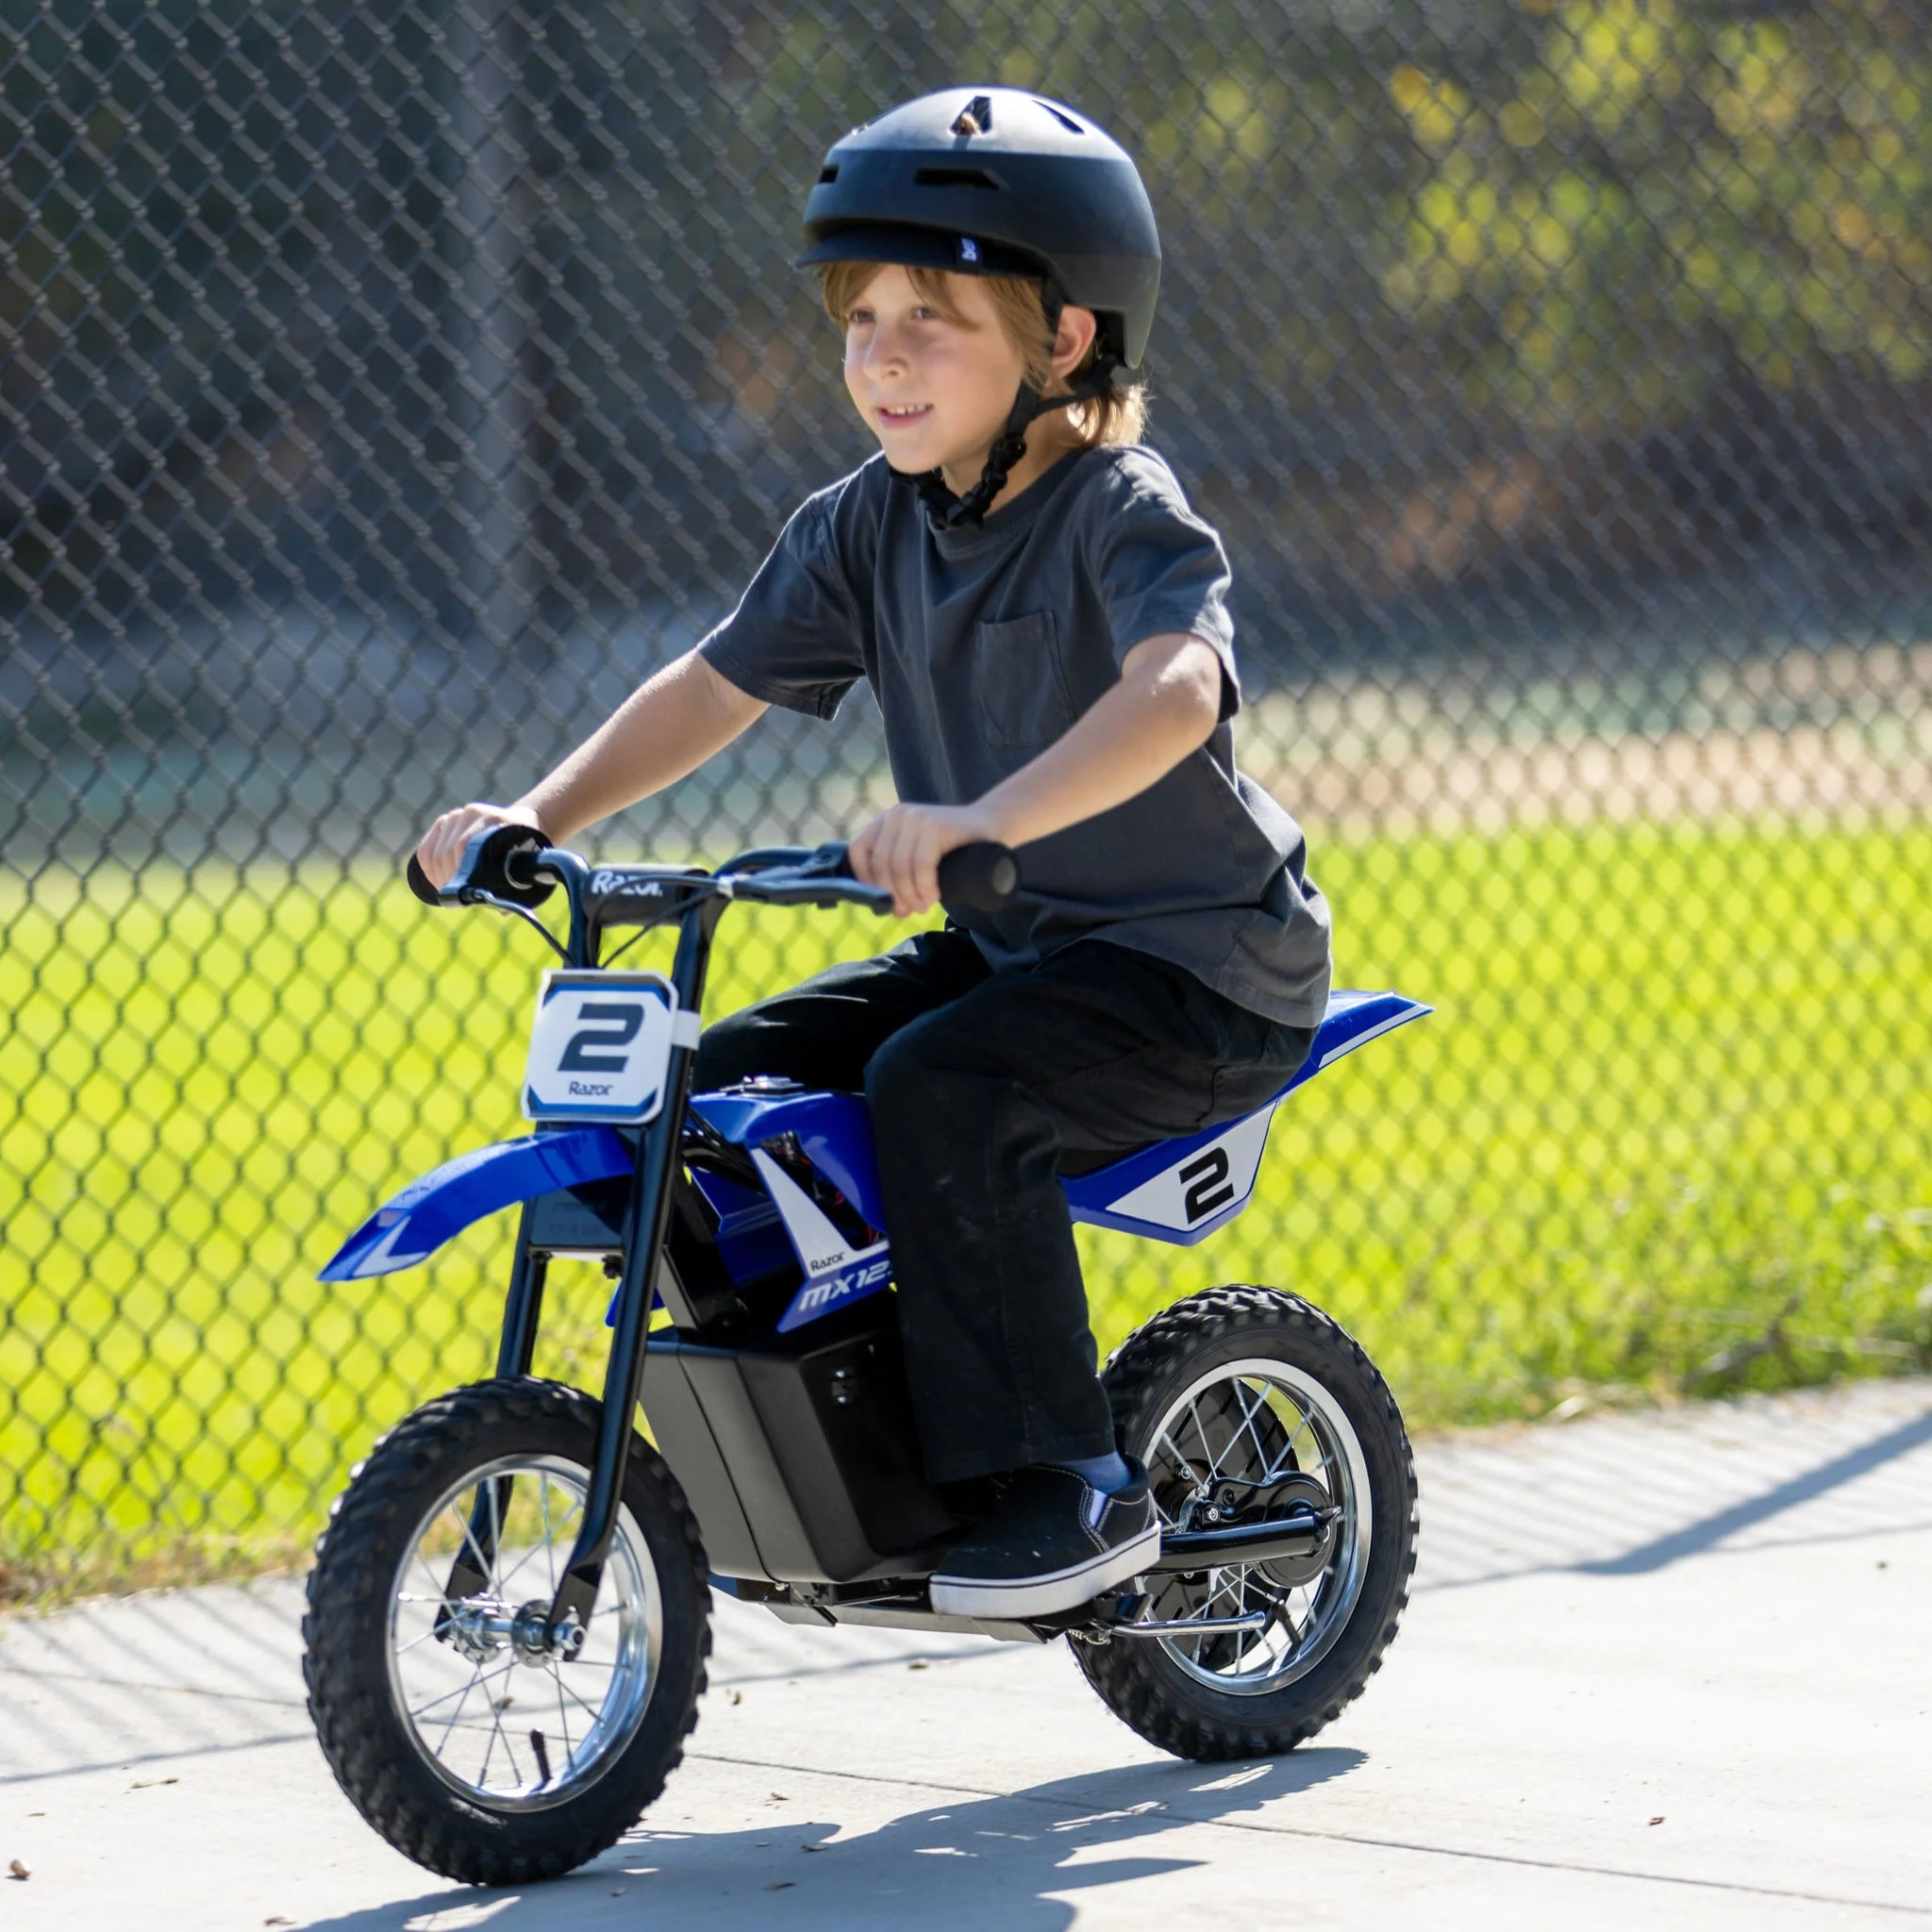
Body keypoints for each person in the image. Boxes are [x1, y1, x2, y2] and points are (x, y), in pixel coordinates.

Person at [415, 88, 1332, 1620]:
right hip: (1018, 950)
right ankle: (864, 1451)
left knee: (945, 1086)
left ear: (1065, 341)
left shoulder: (1117, 509)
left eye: (934, 319)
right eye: (861, 318)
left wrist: (984, 820)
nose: (882, 355)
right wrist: (537, 818)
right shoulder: (866, 523)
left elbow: (1179, 689)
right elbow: (714, 683)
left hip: (1195, 970)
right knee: (712, 1098)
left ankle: (1068, 1480)